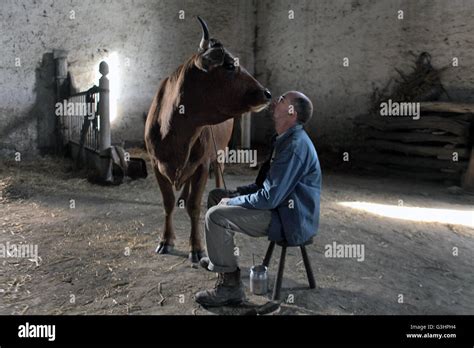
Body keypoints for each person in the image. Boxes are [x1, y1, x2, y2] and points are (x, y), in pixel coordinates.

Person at [195, 91, 322, 307]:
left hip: (290, 219)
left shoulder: (294, 146)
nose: (276, 101)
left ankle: (230, 288)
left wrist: (233, 202)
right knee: (218, 195)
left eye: (282, 100)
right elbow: (266, 186)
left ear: (291, 113)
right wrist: (236, 194)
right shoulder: (284, 139)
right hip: (280, 207)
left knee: (216, 216)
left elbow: (270, 198)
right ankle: (221, 259)